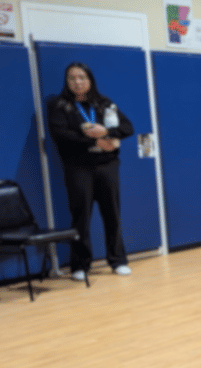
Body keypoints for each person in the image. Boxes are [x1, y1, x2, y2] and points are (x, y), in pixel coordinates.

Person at [47, 62, 135, 281]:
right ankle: (80, 265)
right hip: (79, 168)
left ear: (90, 80)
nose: (77, 82)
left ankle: (118, 261)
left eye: (82, 77)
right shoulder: (59, 105)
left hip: (107, 166)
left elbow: (128, 128)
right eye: (72, 78)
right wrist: (94, 141)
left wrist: (107, 132)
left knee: (112, 214)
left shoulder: (103, 103)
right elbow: (61, 135)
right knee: (81, 217)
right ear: (66, 82)